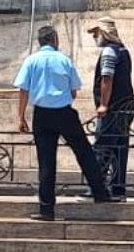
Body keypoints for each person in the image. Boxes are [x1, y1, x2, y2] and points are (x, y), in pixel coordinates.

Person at [13, 24, 111, 219]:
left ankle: (47, 209)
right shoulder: (64, 60)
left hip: (42, 114)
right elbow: (74, 89)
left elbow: (23, 90)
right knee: (84, 152)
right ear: (55, 40)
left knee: (46, 162)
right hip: (64, 112)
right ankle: (100, 192)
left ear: (40, 42)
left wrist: (21, 117)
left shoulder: (31, 61)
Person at [86, 19, 134, 200]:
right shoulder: (124, 51)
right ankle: (118, 189)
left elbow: (107, 79)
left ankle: (97, 187)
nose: (94, 37)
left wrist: (103, 104)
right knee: (120, 148)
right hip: (125, 107)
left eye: (96, 33)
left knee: (103, 147)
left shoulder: (109, 52)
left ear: (104, 33)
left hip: (112, 109)